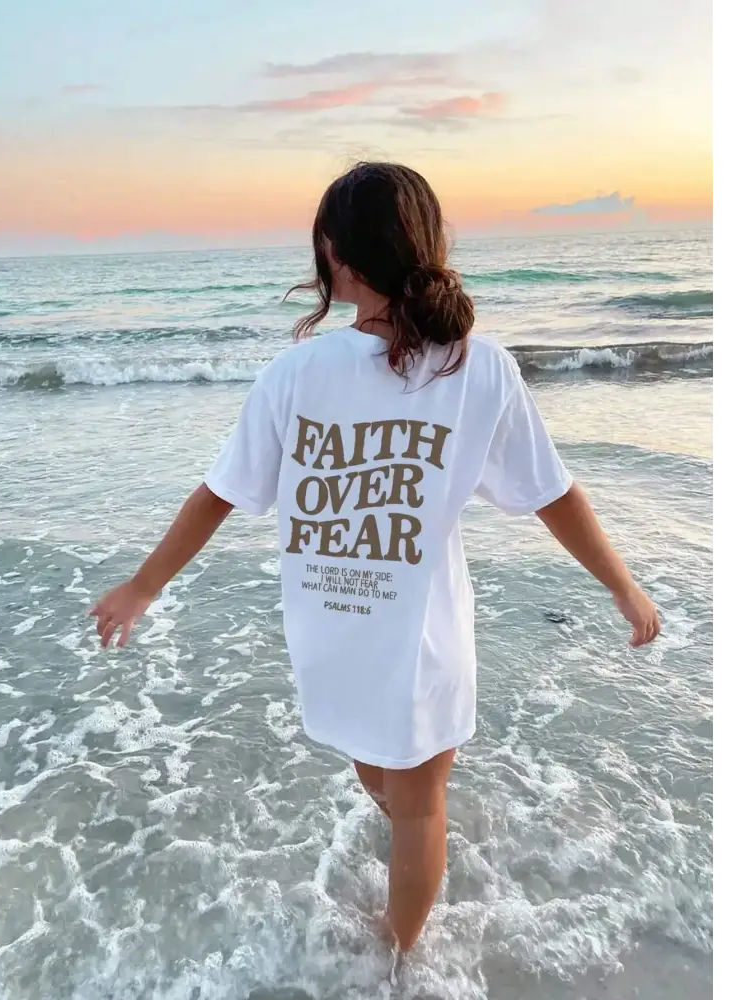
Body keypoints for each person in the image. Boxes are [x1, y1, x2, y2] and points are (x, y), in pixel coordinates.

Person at [90, 162, 660, 955]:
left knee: (398, 789)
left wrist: (142, 586)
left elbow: (218, 495)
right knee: (410, 799)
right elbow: (553, 495)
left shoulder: (380, 370)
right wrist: (624, 587)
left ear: (334, 254)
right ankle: (407, 938)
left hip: (332, 633)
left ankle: (401, 938)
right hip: (410, 639)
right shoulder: (453, 367)